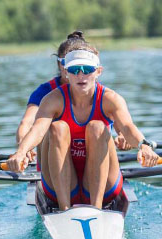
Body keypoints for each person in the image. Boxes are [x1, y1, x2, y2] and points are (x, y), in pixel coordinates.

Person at [7, 44, 161, 210]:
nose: (81, 75)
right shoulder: (52, 99)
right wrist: (21, 152)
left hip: (105, 187)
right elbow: (37, 129)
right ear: (66, 72)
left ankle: (96, 209)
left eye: (87, 69)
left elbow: (127, 126)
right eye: (74, 70)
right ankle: (64, 209)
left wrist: (143, 146)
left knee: (97, 127)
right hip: (61, 187)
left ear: (98, 71)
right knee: (57, 128)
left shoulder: (111, 99)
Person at [15, 31, 133, 169]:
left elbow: (124, 127)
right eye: (69, 64)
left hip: (93, 162)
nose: (79, 71)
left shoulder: (104, 96)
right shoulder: (45, 93)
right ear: (61, 66)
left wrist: (125, 138)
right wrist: (24, 149)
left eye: (86, 67)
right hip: (56, 163)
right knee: (55, 130)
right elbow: (27, 123)